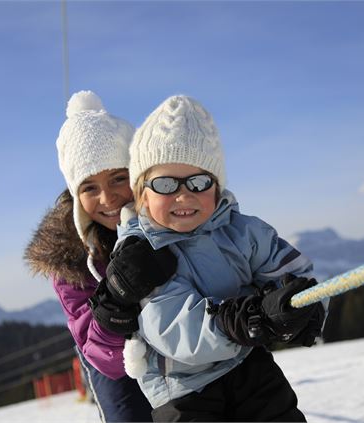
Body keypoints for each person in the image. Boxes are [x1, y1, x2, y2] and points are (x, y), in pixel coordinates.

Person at [98, 95, 327, 422]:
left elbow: (295, 274)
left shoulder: (244, 232)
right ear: (142, 194)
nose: (183, 194)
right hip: (183, 388)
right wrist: (250, 320)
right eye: (165, 183)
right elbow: (175, 330)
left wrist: (305, 310)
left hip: (249, 365)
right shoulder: (139, 254)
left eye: (199, 181)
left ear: (217, 187)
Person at [24, 90, 176, 422]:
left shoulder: (170, 218)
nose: (107, 198)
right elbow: (102, 357)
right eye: (89, 187)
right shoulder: (72, 260)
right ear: (75, 195)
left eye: (118, 179)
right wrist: (116, 302)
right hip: (114, 363)